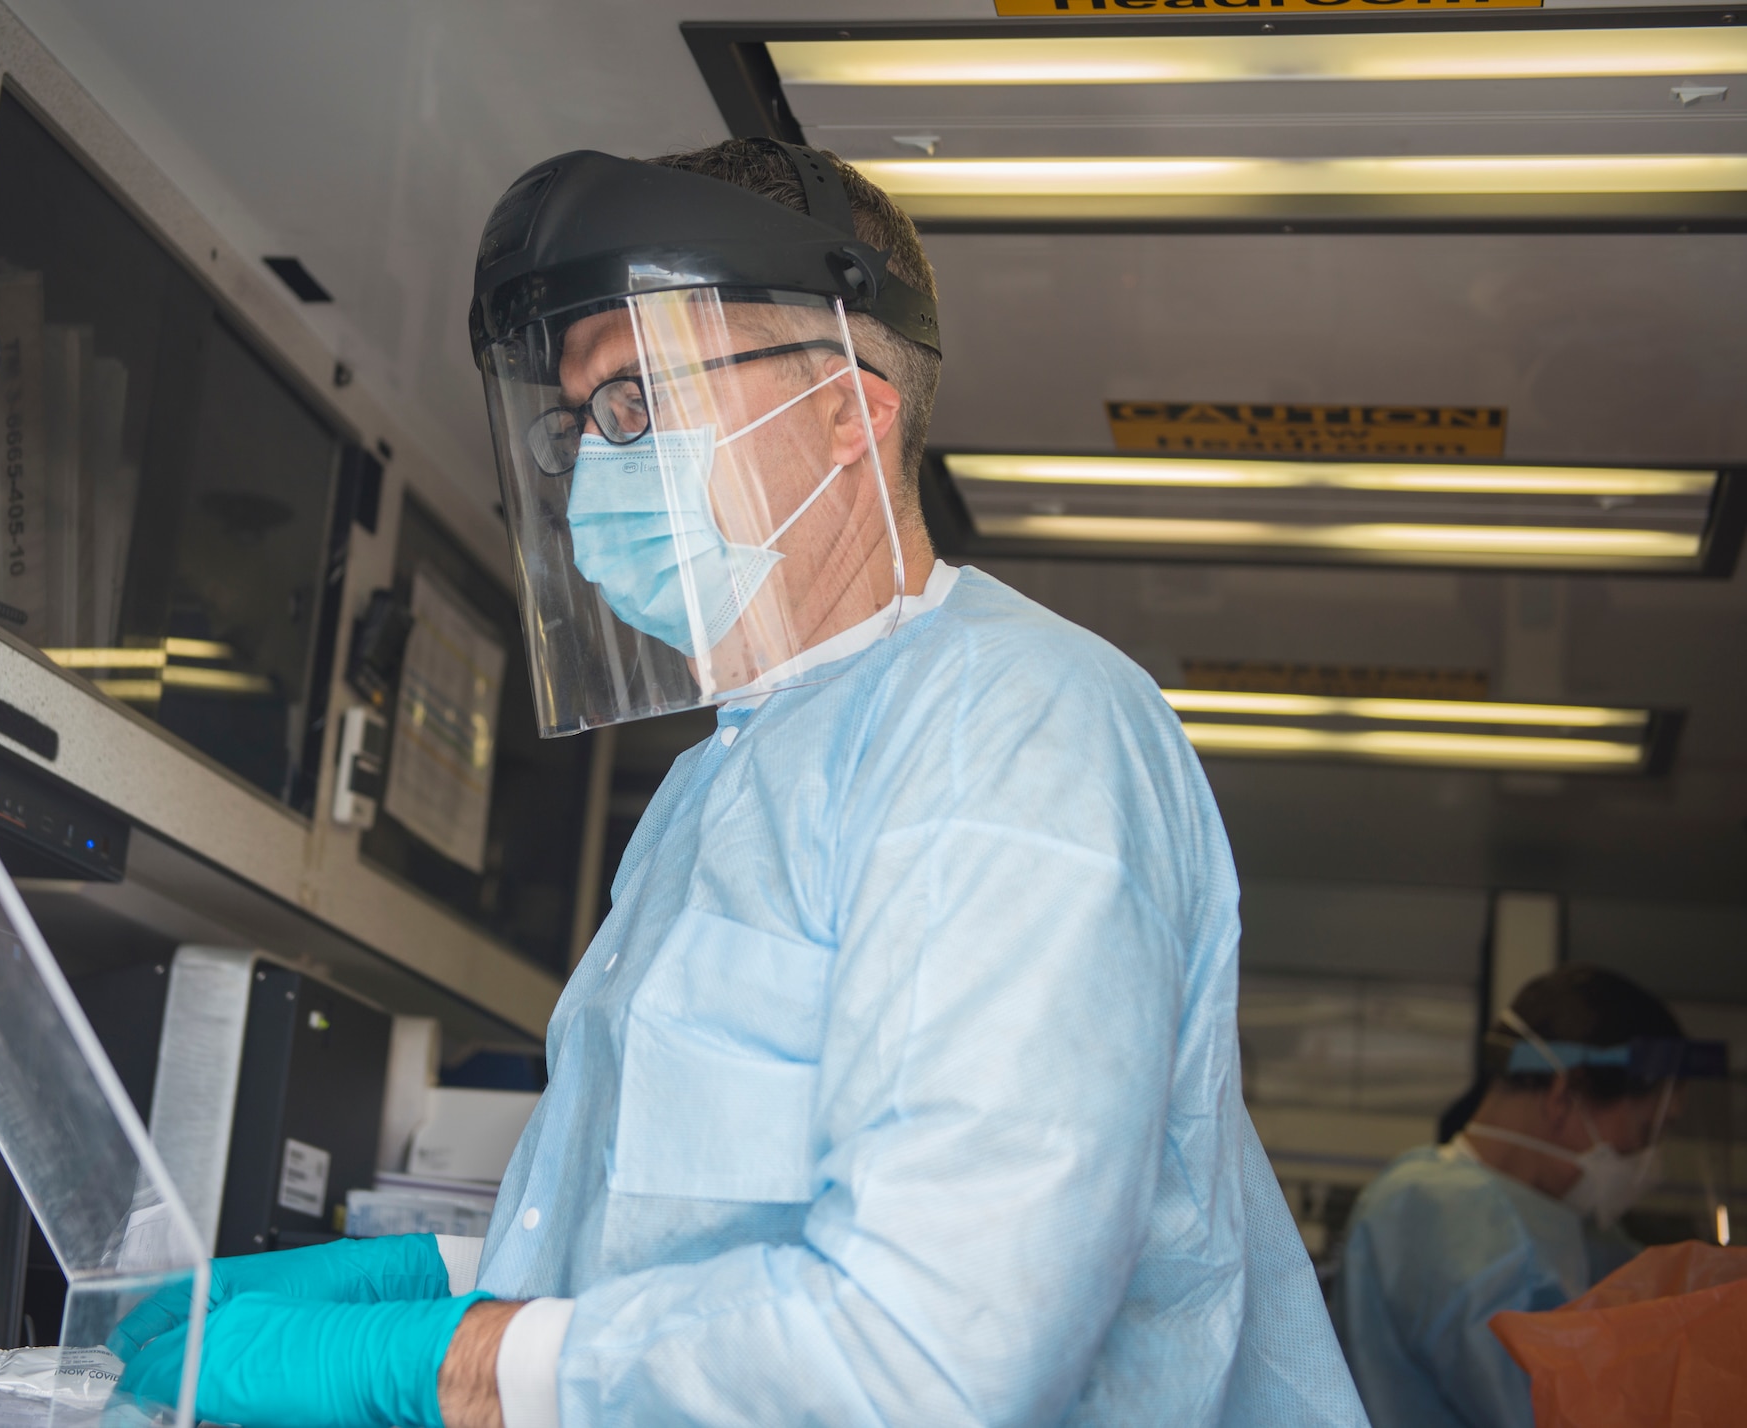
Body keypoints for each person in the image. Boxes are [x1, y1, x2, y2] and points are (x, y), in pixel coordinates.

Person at [120, 140, 1365, 1427]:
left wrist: (443, 1366)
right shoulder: (726, 774)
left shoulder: (1009, 723)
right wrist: (445, 1278)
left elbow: (939, 1348)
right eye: (579, 422)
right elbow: (698, 1232)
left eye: (636, 400)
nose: (596, 462)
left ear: (846, 410)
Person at [1331, 964, 1692, 1428]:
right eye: (1646, 1131)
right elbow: (1545, 1409)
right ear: (1563, 1096)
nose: (1647, 1162)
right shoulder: (1441, 1212)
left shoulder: (1563, 1228)